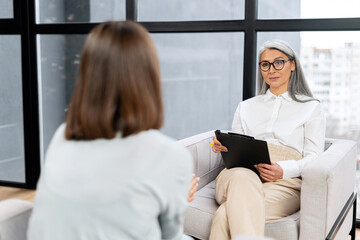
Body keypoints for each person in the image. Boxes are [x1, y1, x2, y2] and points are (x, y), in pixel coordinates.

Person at [27, 21, 194, 240]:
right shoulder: (171, 156)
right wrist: (177, 196)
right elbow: (170, 236)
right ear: (149, 78)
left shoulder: (64, 135)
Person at [209, 40, 326, 239]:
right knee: (242, 177)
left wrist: (283, 170)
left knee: (223, 216)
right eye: (265, 64)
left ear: (293, 64)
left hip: (285, 183)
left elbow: (315, 156)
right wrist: (224, 146)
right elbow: (239, 151)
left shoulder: (311, 107)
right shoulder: (245, 107)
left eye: (278, 62)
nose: (271, 69)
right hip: (238, 174)